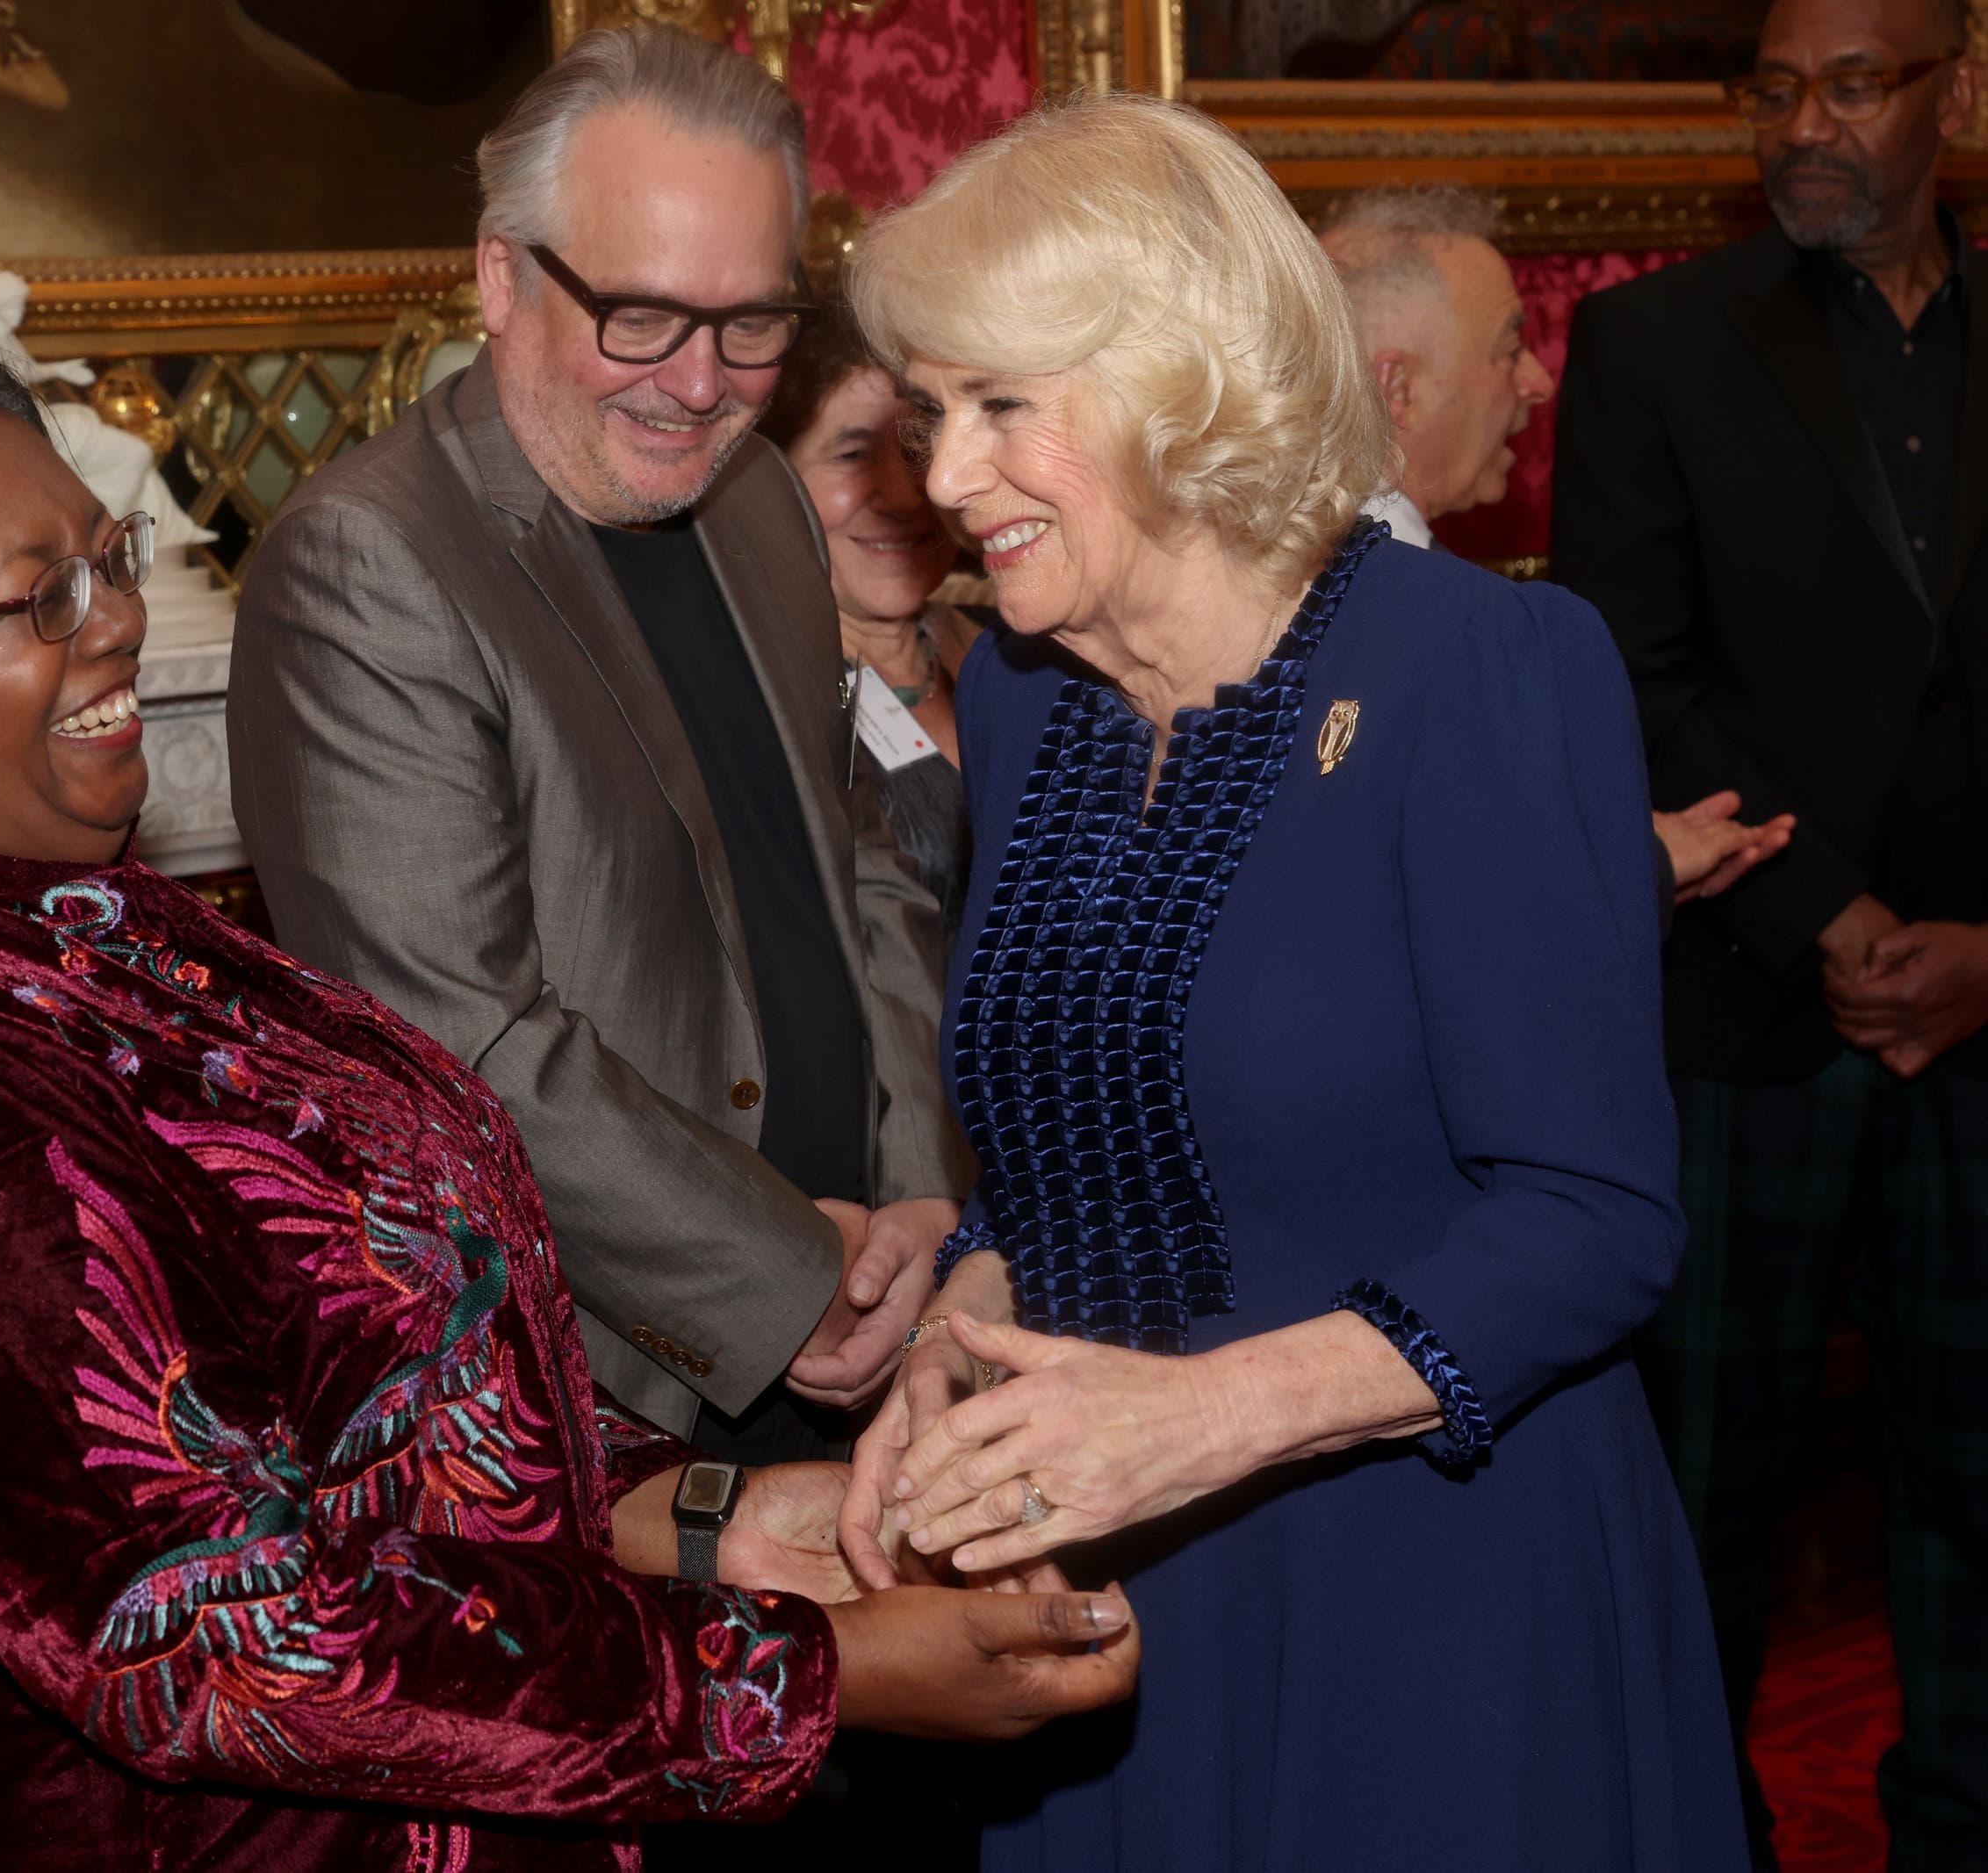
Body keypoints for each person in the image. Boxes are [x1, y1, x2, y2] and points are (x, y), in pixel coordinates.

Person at [0, 330, 1135, 1869]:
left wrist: (717, 1519)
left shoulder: (104, 927)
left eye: (110, 558)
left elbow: (384, 1397)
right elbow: (215, 1627)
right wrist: (814, 1673)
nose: (121, 624)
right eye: (41, 598)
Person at [834, 94, 1746, 1869]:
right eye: (935, 413)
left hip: (1433, 1600)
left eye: (1002, 406)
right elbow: (1057, 1143)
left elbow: (1596, 1213)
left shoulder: (1485, 668)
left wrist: (1195, 1420)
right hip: (1109, 1600)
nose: (944, 479)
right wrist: (956, 1334)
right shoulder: (1026, 694)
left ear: (1181, 377)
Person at [227, 26, 976, 1463]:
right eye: (638, 316)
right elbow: (459, 1040)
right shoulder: (368, 563)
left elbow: (860, 856)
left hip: (867, 1297)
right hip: (614, 1397)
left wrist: (921, 1183)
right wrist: (778, 1275)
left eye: (752, 323)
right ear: (502, 276)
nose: (698, 384)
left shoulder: (758, 496)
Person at [1552, 0, 1988, 1857]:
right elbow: (1622, 673)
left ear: (1955, 95)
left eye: (1856, 85)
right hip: (1734, 1027)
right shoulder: (1655, 341)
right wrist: (1834, 916)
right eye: (1777, 87)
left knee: (1976, 1499)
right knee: (1701, 1501)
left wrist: (1985, 945)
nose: (1805, 124)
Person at [1318, 183, 1798, 916]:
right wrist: (1648, 868)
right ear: (1398, 390)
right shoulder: (1476, 630)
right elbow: (1486, 920)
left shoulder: (1254, 579)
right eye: (1510, 346)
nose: (1539, 382)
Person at [760, 300, 982, 938]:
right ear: (772, 479)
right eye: (853, 454)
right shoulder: (762, 706)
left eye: (919, 448)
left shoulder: (1023, 654)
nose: (908, 494)